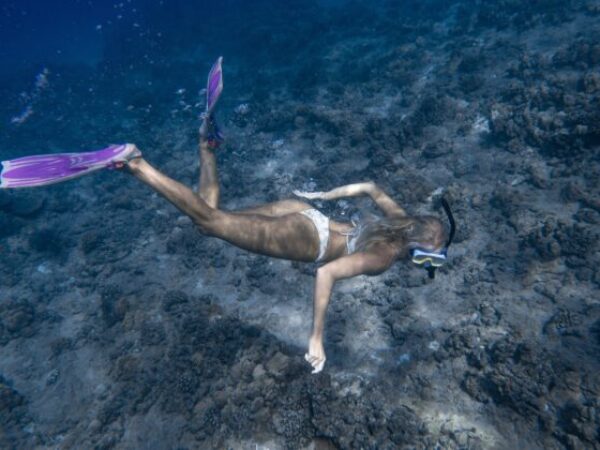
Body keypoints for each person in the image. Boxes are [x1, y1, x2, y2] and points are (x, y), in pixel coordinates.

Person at [116, 113, 455, 374]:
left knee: (210, 218)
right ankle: (136, 163)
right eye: (429, 261)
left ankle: (207, 146)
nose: (426, 267)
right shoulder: (385, 255)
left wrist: (324, 196)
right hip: (304, 239)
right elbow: (326, 273)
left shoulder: (401, 221)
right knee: (209, 221)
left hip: (305, 213)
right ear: (417, 247)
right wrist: (316, 338)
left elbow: (370, 187)